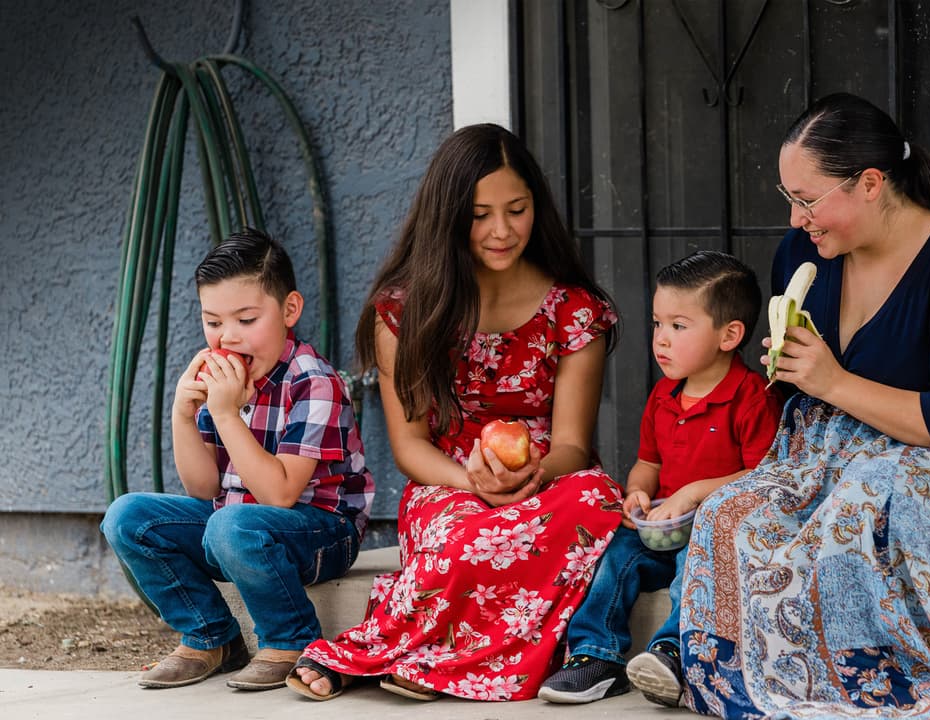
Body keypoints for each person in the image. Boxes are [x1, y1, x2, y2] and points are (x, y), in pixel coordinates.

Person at [679, 92, 930, 718]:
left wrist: (832, 381)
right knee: (730, 514)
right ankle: (750, 675)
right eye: (789, 198)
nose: (794, 219)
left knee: (857, 511)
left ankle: (877, 677)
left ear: (870, 183)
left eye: (807, 200)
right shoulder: (802, 254)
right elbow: (806, 392)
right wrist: (791, 369)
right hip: (829, 446)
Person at [285, 123, 625, 702]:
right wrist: (474, 481)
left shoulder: (574, 310)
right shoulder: (404, 312)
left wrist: (530, 476)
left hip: (548, 480)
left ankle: (422, 661)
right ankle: (397, 653)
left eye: (516, 210)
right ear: (448, 217)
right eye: (479, 214)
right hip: (447, 478)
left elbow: (572, 442)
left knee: (598, 499)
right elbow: (411, 447)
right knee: (469, 534)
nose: (501, 230)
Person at [101, 228, 374, 691]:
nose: (227, 337)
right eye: (213, 322)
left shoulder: (313, 380)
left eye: (246, 319)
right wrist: (183, 416)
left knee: (234, 524)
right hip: (237, 526)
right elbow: (203, 490)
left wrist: (227, 414)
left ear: (289, 310)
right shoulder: (223, 377)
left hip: (322, 531)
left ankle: (292, 640)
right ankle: (212, 637)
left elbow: (281, 494)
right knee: (128, 516)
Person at [538, 251, 783, 706]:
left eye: (678, 326)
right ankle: (595, 655)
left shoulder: (750, 398)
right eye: (657, 324)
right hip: (660, 527)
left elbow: (762, 477)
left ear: (730, 335)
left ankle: (672, 653)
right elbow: (648, 463)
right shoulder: (664, 395)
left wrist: (692, 493)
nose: (661, 340)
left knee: (693, 568)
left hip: (714, 533)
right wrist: (637, 492)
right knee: (614, 557)